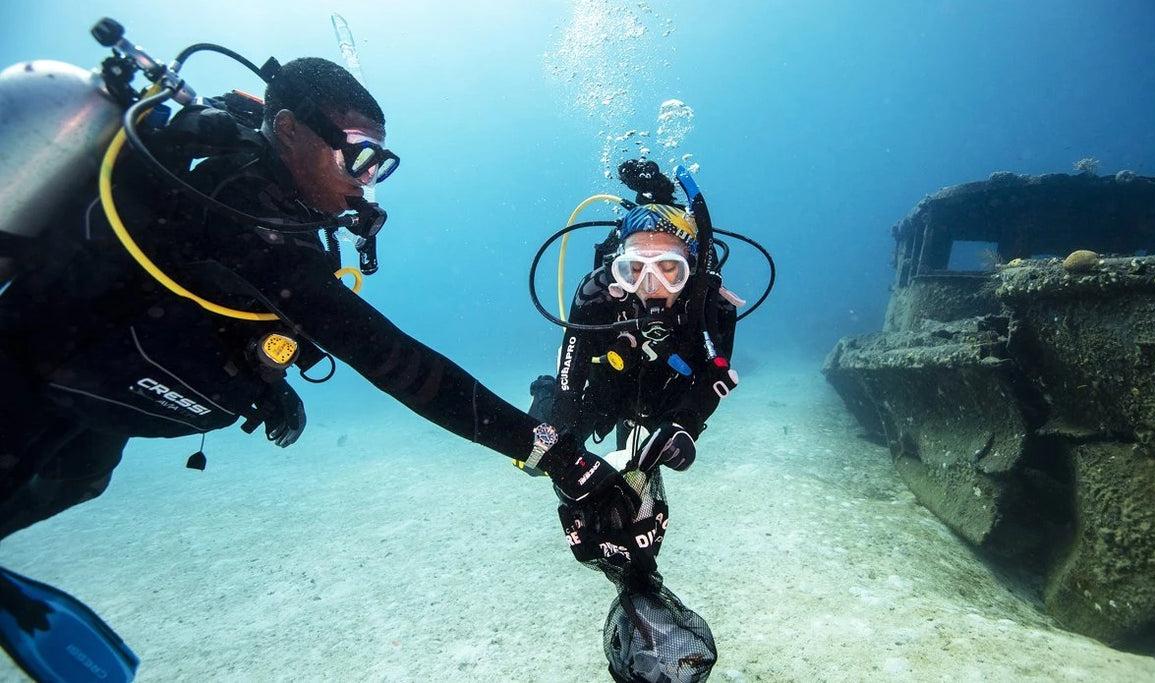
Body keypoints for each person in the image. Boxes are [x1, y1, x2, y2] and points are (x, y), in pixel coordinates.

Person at [0, 53, 635, 680]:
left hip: (100, 387)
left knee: (80, 477)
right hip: (26, 372)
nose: (367, 179)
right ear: (288, 131)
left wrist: (264, 385)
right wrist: (555, 454)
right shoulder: (233, 201)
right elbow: (393, 360)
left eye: (378, 162)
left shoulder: (281, 216)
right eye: (357, 154)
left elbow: (236, 309)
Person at [526, 160, 740, 683]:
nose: (651, 287)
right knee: (537, 448)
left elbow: (713, 378)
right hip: (604, 390)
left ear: (694, 265)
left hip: (664, 399)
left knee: (641, 490)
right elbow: (570, 383)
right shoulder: (597, 295)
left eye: (670, 269)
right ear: (615, 269)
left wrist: (688, 426)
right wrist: (556, 450)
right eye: (634, 270)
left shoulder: (712, 308)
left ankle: (641, 586)